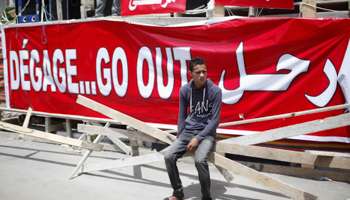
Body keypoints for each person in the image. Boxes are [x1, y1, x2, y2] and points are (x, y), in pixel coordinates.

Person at [164, 57, 222, 200]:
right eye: (198, 72)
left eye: (204, 71)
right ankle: (178, 193)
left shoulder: (215, 91)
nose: (202, 75)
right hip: (188, 131)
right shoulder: (185, 90)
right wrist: (180, 138)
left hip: (206, 133)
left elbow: (215, 121)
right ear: (191, 74)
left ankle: (206, 197)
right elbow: (182, 115)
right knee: (168, 156)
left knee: (199, 160)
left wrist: (198, 139)